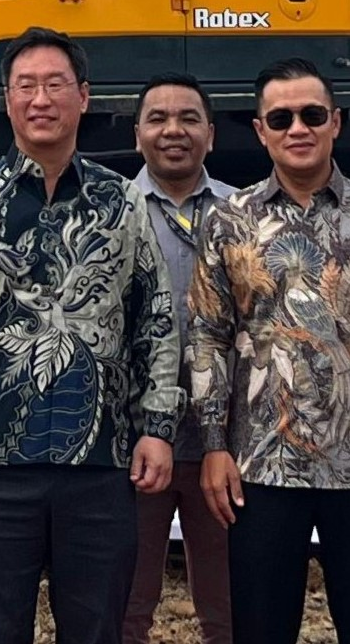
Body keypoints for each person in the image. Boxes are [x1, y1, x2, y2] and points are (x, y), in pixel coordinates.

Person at [0, 29, 179, 644]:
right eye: (25, 86)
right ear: (6, 101)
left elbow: (154, 319)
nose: (40, 99)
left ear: (84, 97)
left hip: (101, 466)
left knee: (95, 630)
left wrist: (157, 428)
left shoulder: (123, 202)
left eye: (55, 84)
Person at [188, 58, 350, 644]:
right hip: (262, 466)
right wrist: (214, 446)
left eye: (312, 114)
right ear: (261, 130)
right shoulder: (228, 220)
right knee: (262, 629)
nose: (298, 127)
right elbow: (209, 336)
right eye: (282, 117)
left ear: (336, 123)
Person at [122, 76, 230, 644]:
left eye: (188, 118)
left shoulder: (245, 213)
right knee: (126, 604)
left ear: (210, 135)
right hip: (135, 444)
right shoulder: (110, 214)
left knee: (230, 605)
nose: (173, 130)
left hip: (225, 446)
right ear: (137, 133)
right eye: (158, 118)